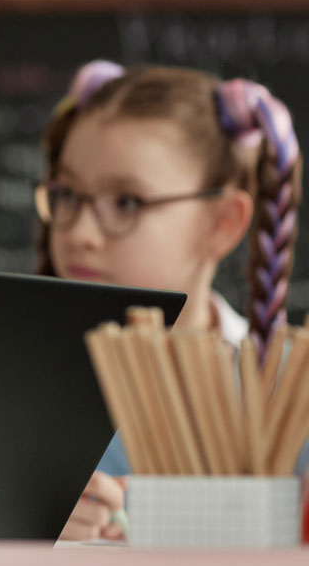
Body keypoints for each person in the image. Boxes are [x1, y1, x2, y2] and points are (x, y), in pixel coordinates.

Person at [34, 60, 301, 541]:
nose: (80, 233)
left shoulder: (290, 394)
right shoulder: (6, 383)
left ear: (223, 223)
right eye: (68, 195)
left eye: (127, 202)